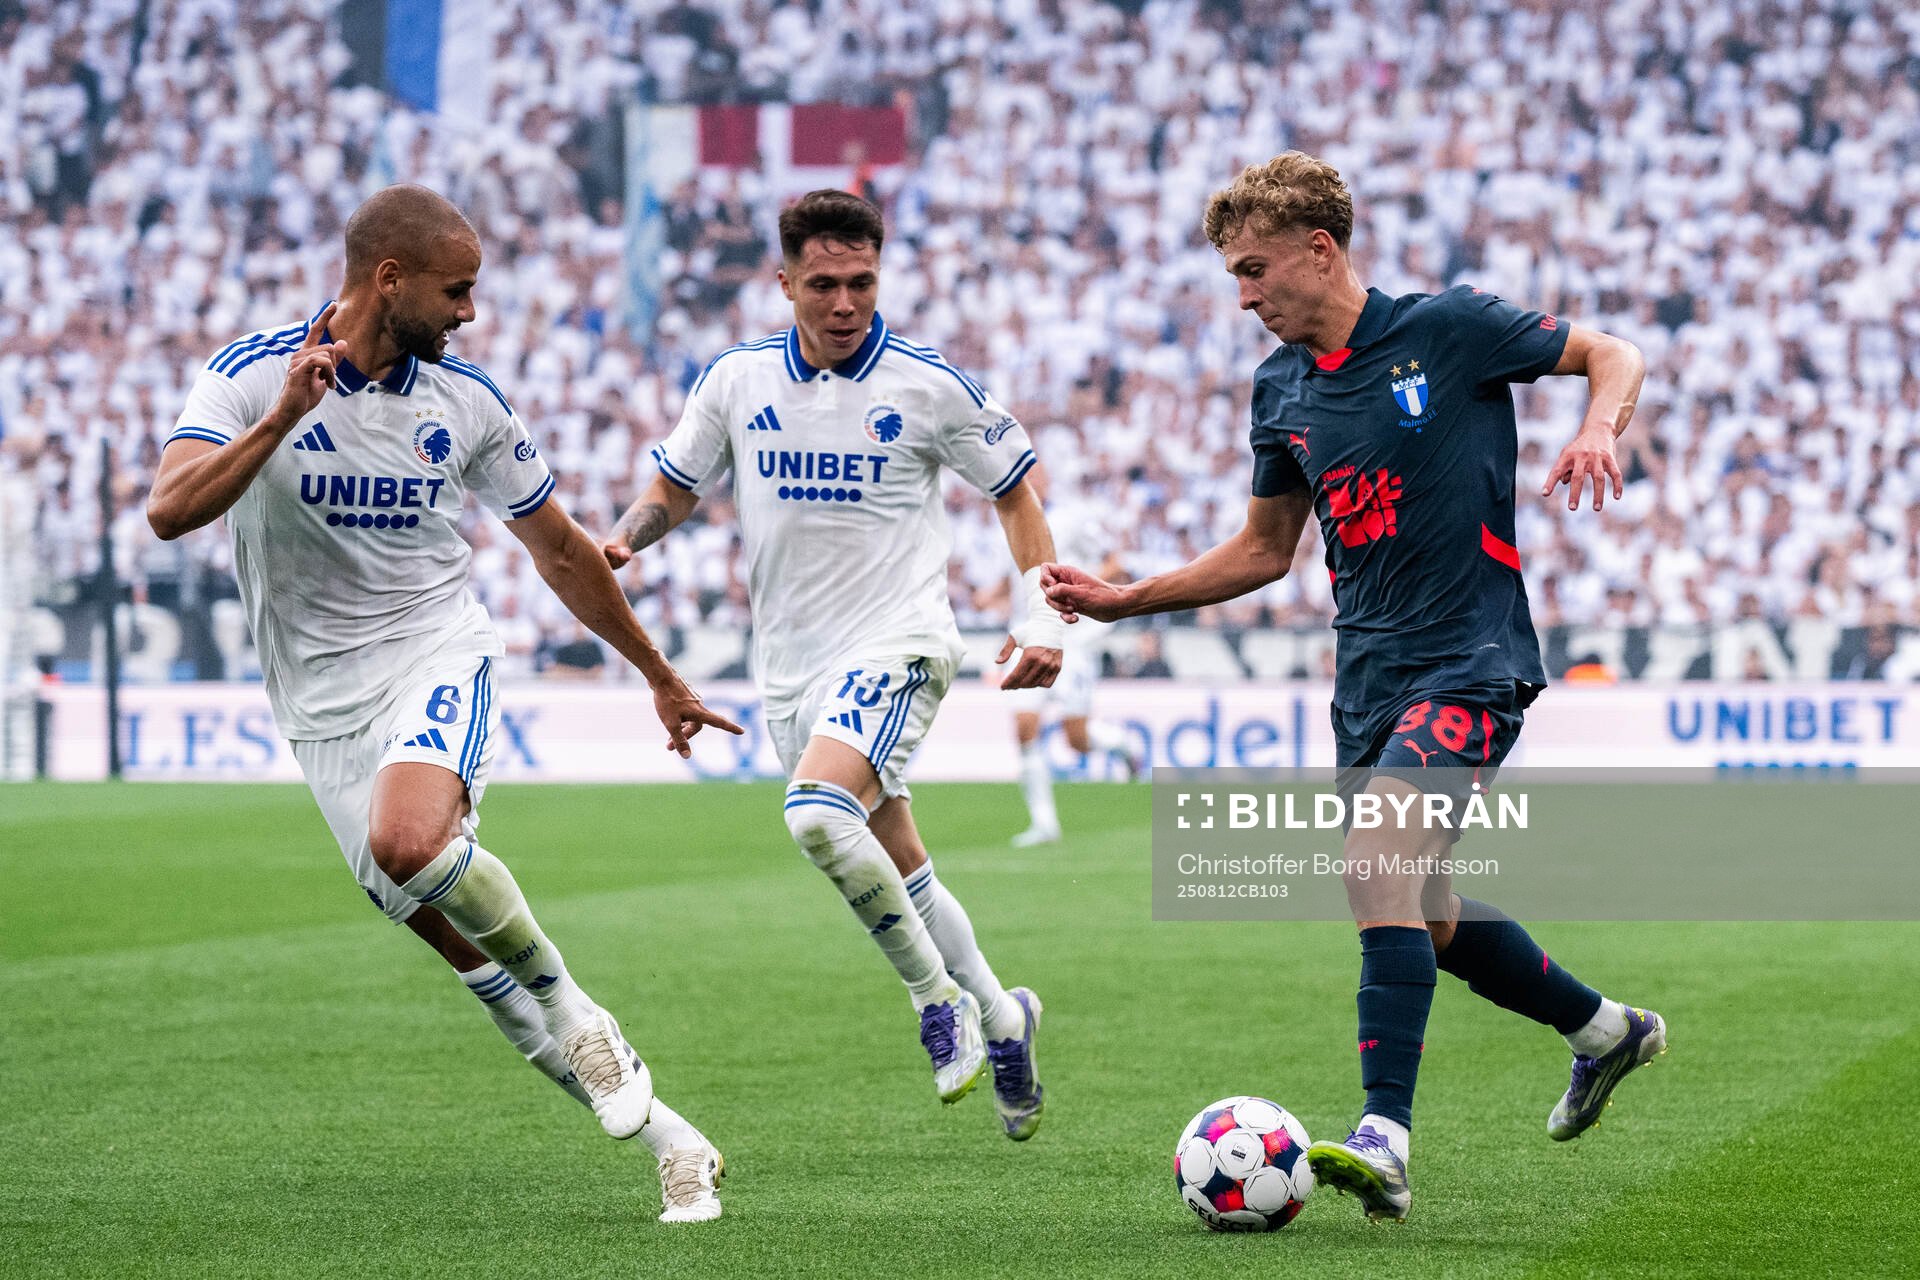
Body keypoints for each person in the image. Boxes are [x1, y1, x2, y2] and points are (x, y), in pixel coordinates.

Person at [1042, 153, 1666, 1221]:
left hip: (1471, 658)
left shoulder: (1449, 328)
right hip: (1367, 679)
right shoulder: (1278, 387)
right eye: (1233, 275)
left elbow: (1614, 349)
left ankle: (1384, 1135)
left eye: (1254, 270)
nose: (1242, 295)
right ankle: (1607, 1029)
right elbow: (1262, 548)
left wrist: (1599, 422)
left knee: (1376, 862)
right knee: (1418, 911)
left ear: (1318, 249)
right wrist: (1124, 599)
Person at [146, 184, 742, 1224]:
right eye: (456, 290)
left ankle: (578, 1010)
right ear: (390, 279)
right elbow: (169, 509)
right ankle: (676, 1143)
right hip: (320, 706)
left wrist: (658, 671)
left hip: (433, 649)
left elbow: (557, 547)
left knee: (412, 840)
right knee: (475, 967)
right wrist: (285, 417)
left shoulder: (466, 401)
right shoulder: (249, 377)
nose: (469, 311)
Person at [602, 189, 1058, 1141]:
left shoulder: (930, 386)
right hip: (792, 669)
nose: (845, 302)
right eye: (823, 284)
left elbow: (1016, 491)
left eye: (861, 282)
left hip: (900, 642)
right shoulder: (734, 381)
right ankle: (1007, 1016)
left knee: (816, 815)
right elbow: (674, 489)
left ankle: (939, 1004)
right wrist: (625, 540)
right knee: (900, 865)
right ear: (785, 283)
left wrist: (1035, 615)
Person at [999, 468, 1143, 847]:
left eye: (1034, 474)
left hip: (1073, 639)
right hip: (1030, 635)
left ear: (1044, 479)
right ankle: (1044, 824)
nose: (1029, 481)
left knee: (1075, 738)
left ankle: (1124, 745)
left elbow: (1115, 563)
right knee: (1024, 727)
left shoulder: (1072, 519)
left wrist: (1078, 583)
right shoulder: (1009, 519)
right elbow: (1014, 581)